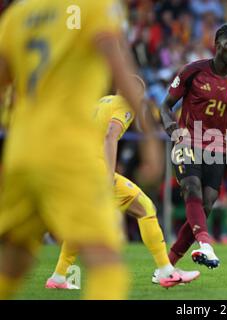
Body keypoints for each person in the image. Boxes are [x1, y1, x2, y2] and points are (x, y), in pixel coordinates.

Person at [0, 0, 159, 300]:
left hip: (21, 147)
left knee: (14, 258)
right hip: (68, 148)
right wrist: (149, 137)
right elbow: (121, 69)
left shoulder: (15, 16)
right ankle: (163, 270)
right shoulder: (93, 7)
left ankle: (58, 274)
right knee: (106, 260)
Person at [45, 77, 200, 290]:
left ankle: (59, 277)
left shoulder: (102, 101)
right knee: (146, 208)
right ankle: (166, 271)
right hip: (96, 171)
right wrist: (108, 175)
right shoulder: (126, 105)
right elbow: (111, 135)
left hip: (77, 167)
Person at [159, 24, 227, 269]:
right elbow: (165, 107)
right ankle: (206, 244)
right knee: (191, 188)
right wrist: (174, 130)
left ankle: (166, 266)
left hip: (217, 147)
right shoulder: (193, 71)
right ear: (217, 44)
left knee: (205, 206)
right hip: (188, 140)